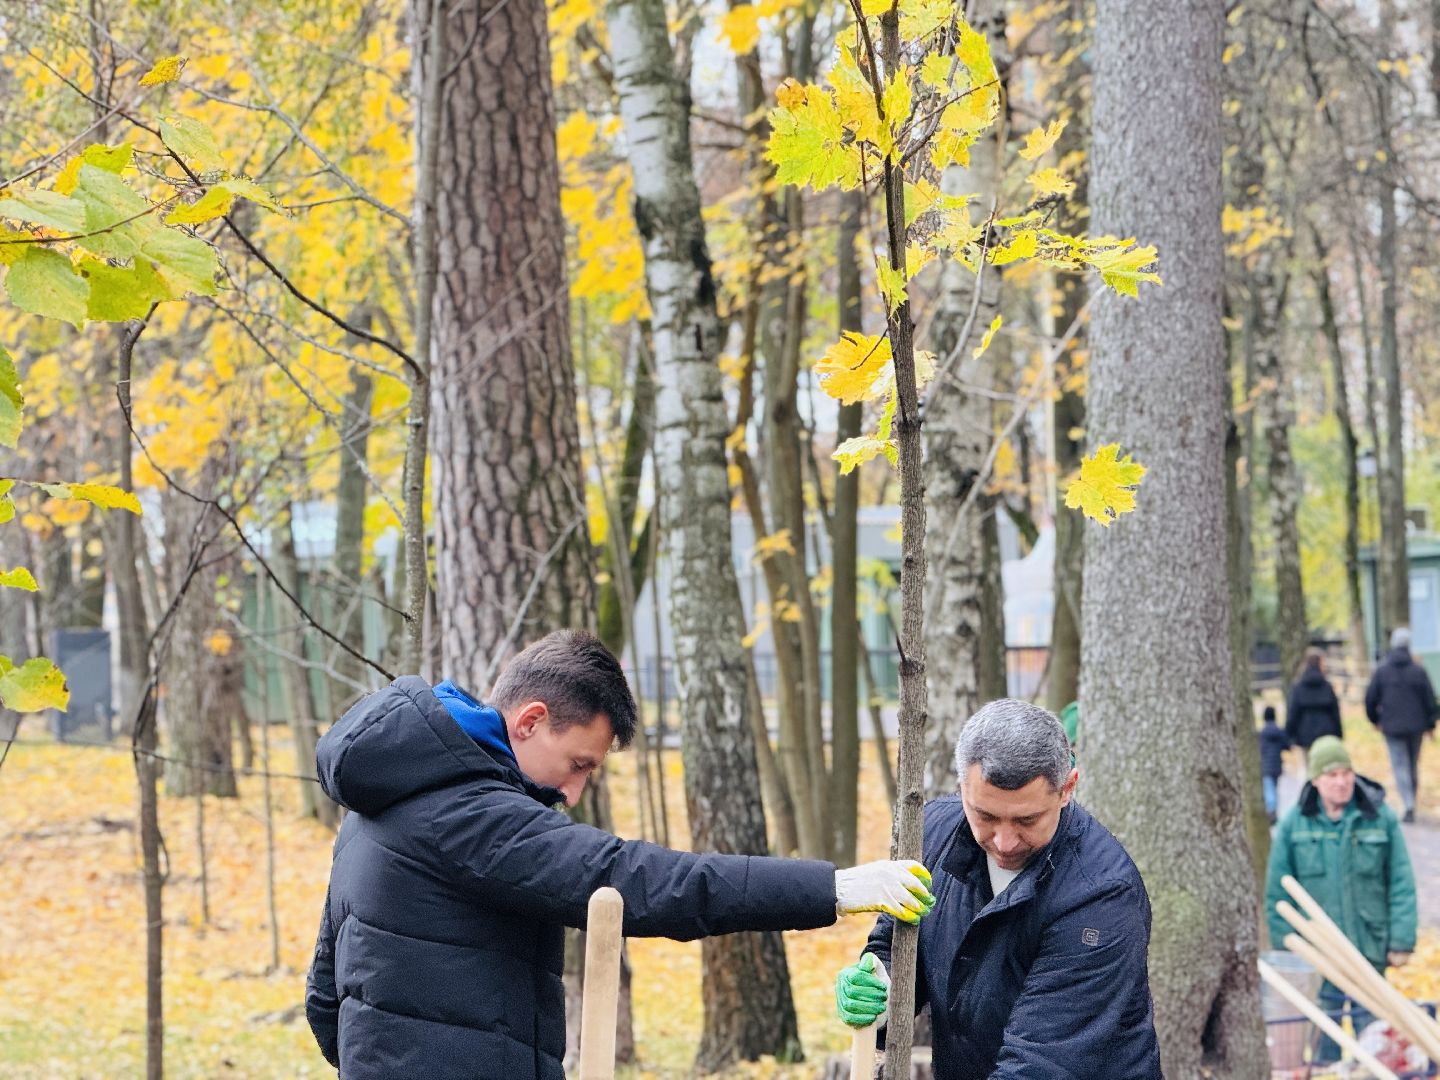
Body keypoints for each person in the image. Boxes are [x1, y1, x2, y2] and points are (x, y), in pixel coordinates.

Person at [305, 629, 936, 1079]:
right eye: (577, 764)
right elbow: (645, 882)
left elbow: (324, 995)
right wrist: (834, 888)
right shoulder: (472, 816)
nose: (574, 792)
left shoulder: (379, 801)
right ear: (529, 720)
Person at [833, 699, 1161, 1079]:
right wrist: (883, 989)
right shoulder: (933, 835)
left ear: (1067, 788)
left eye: (1027, 819)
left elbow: (1041, 1066)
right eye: (985, 815)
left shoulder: (1102, 896)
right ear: (962, 786)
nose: (1004, 842)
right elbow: (897, 944)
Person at [1265, 735, 1417, 1065]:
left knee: (1375, 1038)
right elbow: (1277, 894)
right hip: (1319, 956)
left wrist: (1401, 940)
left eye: (1346, 773)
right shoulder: (1294, 824)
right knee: (1324, 1043)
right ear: (1316, 780)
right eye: (1332, 775)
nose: (1341, 782)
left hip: (1369, 948)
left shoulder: (1380, 818)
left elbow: (1401, 882)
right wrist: (1289, 952)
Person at [1365, 627, 1438, 823]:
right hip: (1416, 726)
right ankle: (1410, 801)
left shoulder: (1382, 670)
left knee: (1400, 765)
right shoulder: (1418, 670)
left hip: (1392, 727)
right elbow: (1429, 699)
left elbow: (1370, 698)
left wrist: (1375, 720)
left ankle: (1408, 804)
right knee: (1412, 764)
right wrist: (1431, 724)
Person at [1285, 648, 1342, 770]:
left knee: (1308, 768)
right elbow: (1335, 712)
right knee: (1326, 768)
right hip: (1326, 734)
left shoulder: (1298, 687)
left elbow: (1293, 713)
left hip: (1305, 735)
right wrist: (1338, 734)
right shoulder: (1327, 687)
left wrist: (1289, 735)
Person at [1259, 704, 1290, 824]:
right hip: (1277, 765)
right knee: (1274, 788)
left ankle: (1271, 811)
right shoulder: (1279, 732)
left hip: (1265, 765)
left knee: (1268, 788)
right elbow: (1286, 746)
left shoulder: (1261, 734)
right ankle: (1274, 811)